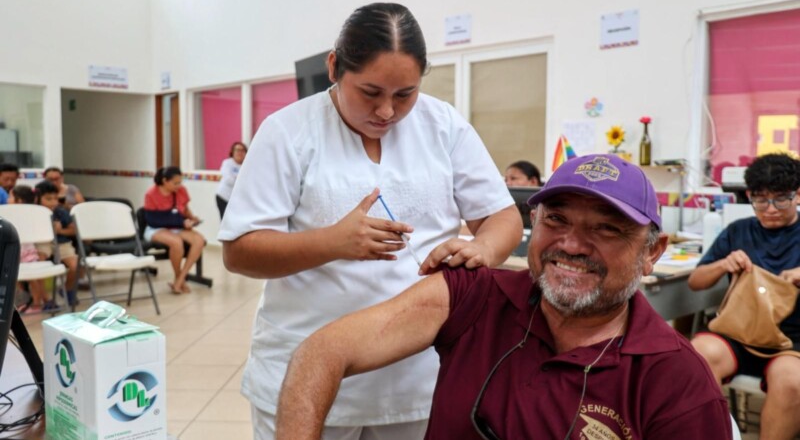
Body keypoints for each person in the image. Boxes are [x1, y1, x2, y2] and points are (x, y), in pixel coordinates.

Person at [219, 2, 522, 440]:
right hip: (307, 373)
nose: (386, 112)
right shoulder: (288, 132)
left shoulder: (442, 125)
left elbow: (502, 216)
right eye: (370, 92)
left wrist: (482, 249)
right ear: (334, 67)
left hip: (416, 374)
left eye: (404, 95)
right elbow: (240, 250)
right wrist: (333, 242)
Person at [276, 154, 733, 439]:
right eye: (556, 220)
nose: (571, 244)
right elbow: (321, 353)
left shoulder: (676, 381)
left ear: (652, 251)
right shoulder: (475, 295)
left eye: (606, 228)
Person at [690, 153, 800, 440]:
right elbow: (695, 282)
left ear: (798, 194)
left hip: (791, 341)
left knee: (792, 381)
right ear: (749, 196)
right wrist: (723, 264)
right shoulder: (737, 231)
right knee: (696, 358)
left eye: (781, 199)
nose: (771, 209)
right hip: (737, 333)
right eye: (761, 200)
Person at [143, 166, 205, 294]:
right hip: (156, 228)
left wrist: (192, 218)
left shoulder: (181, 191)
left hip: (177, 227)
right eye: (175, 183)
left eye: (180, 182)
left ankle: (180, 279)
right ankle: (179, 277)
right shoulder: (151, 194)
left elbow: (185, 209)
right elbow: (153, 220)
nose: (179, 185)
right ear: (165, 181)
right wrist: (181, 222)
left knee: (199, 240)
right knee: (176, 242)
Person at [10, 185, 59, 314]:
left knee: (33, 278)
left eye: (10, 196)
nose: (7, 198)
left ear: (19, 200)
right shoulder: (14, 211)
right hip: (16, 250)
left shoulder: (22, 213)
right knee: (18, 278)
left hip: (26, 250)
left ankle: (39, 302)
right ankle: (24, 301)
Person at [34, 180, 79, 307]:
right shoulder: (33, 213)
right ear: (37, 199)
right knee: (39, 265)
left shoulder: (60, 211)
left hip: (61, 242)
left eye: (55, 198)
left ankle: (67, 290)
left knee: (75, 266)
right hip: (42, 241)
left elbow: (73, 230)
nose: (53, 202)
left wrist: (61, 230)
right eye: (48, 199)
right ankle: (46, 299)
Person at [215, 141, 247, 219]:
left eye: (242, 150)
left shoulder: (246, 165)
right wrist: (241, 180)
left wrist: (237, 179)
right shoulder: (227, 163)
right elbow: (229, 180)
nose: (240, 152)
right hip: (224, 197)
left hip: (238, 200)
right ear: (232, 152)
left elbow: (248, 182)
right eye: (237, 150)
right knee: (225, 221)